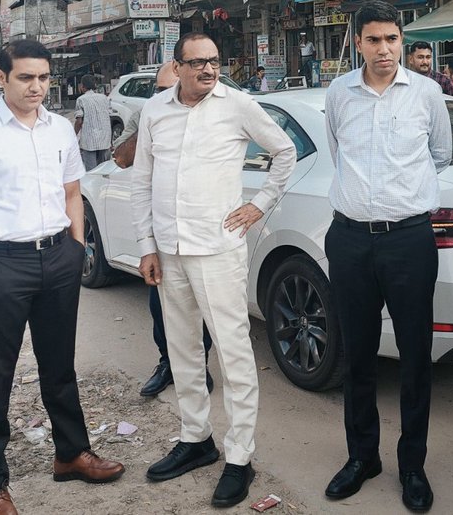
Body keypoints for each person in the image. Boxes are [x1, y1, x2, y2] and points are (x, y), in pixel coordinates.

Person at [0, 40, 125, 515]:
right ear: (1, 78)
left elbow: (72, 192)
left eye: (43, 77)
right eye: (25, 77)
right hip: (2, 264)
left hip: (59, 258)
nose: (36, 87)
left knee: (59, 365)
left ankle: (71, 453)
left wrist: (76, 247)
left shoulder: (60, 129)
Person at [131, 33, 296, 508]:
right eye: (197, 62)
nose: (207, 69)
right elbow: (142, 180)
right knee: (183, 350)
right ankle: (195, 439)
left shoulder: (237, 105)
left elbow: (284, 152)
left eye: (214, 61)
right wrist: (146, 247)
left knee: (233, 352)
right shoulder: (156, 110)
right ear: (177, 67)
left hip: (217, 249)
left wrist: (259, 204)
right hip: (169, 250)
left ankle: (240, 456)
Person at [322, 1, 452, 513]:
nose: (384, 49)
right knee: (357, 354)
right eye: (373, 40)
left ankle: (412, 465)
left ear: (402, 40)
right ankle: (362, 457)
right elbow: (339, 153)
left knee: (415, 357)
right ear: (358, 43)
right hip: (350, 239)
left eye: (392, 39)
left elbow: (439, 154)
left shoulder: (426, 93)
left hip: (409, 241)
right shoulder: (339, 93)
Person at [112, 62, 214, 401]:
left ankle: (198, 367)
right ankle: (168, 363)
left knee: (202, 304)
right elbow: (122, 159)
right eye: (160, 91)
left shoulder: (209, 115)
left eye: (172, 89)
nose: (168, 96)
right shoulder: (146, 116)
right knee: (161, 305)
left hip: (201, 226)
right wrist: (151, 120)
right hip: (162, 227)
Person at [73, 75, 111, 171]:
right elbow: (109, 116)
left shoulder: (81, 100)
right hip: (105, 140)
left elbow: (79, 121)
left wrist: (73, 135)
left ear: (82, 86)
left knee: (91, 172)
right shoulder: (104, 98)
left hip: (89, 141)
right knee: (104, 170)